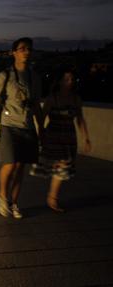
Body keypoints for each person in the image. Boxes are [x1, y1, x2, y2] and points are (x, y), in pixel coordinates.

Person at [0, 37, 44, 219]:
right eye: (22, 49)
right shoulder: (4, 76)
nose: (26, 52)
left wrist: (41, 127)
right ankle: (2, 196)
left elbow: (36, 104)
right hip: (9, 126)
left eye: (29, 49)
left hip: (27, 127)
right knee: (10, 164)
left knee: (20, 168)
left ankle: (14, 202)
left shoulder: (34, 78)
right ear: (14, 52)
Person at [30, 66, 92, 212]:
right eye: (66, 79)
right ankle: (52, 198)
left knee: (62, 167)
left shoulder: (76, 99)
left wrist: (86, 138)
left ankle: (52, 197)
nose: (69, 82)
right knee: (60, 166)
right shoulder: (53, 98)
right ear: (59, 81)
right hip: (54, 135)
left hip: (69, 136)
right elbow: (42, 116)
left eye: (71, 79)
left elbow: (80, 119)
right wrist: (41, 132)